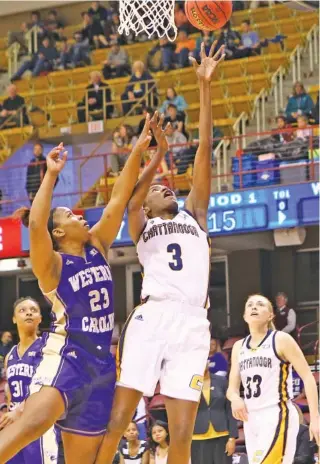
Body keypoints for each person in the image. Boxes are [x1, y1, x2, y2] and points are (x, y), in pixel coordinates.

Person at [95, 42, 226, 464]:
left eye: (167, 183)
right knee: (118, 420)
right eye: (156, 189)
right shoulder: (141, 223)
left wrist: (203, 87)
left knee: (183, 433)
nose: (164, 186)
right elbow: (131, 199)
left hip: (193, 321)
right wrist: (157, 158)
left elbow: (205, 150)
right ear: (148, 203)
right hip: (152, 317)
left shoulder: (195, 215)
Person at [0, 116, 153, 463]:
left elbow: (118, 196)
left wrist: (138, 150)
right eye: (71, 215)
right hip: (68, 356)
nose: (81, 216)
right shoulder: (51, 265)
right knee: (31, 424)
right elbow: (37, 223)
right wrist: (51, 176)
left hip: (102, 367)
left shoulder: (98, 245)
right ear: (59, 233)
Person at [227, 294, 319, 464]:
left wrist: (315, 419)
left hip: (277, 414)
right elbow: (232, 388)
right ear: (245, 316)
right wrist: (235, 399)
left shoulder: (281, 340)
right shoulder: (238, 347)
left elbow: (308, 377)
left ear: (270, 315)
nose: (254, 307)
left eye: (260, 304)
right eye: (250, 305)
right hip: (251, 418)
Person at [0, 297, 63, 463]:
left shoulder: (47, 348)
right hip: (14, 426)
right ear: (14, 319)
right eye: (22, 310)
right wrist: (6, 412)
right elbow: (10, 392)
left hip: (39, 422)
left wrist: (20, 411)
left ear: (40, 318)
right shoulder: (10, 355)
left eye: (33, 310)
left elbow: (49, 389)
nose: (28, 312)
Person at [191, 362, 238, 464]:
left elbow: (230, 410)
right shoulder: (189, 385)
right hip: (197, 438)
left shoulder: (221, 381)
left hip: (222, 436)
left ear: (208, 362)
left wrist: (232, 438)